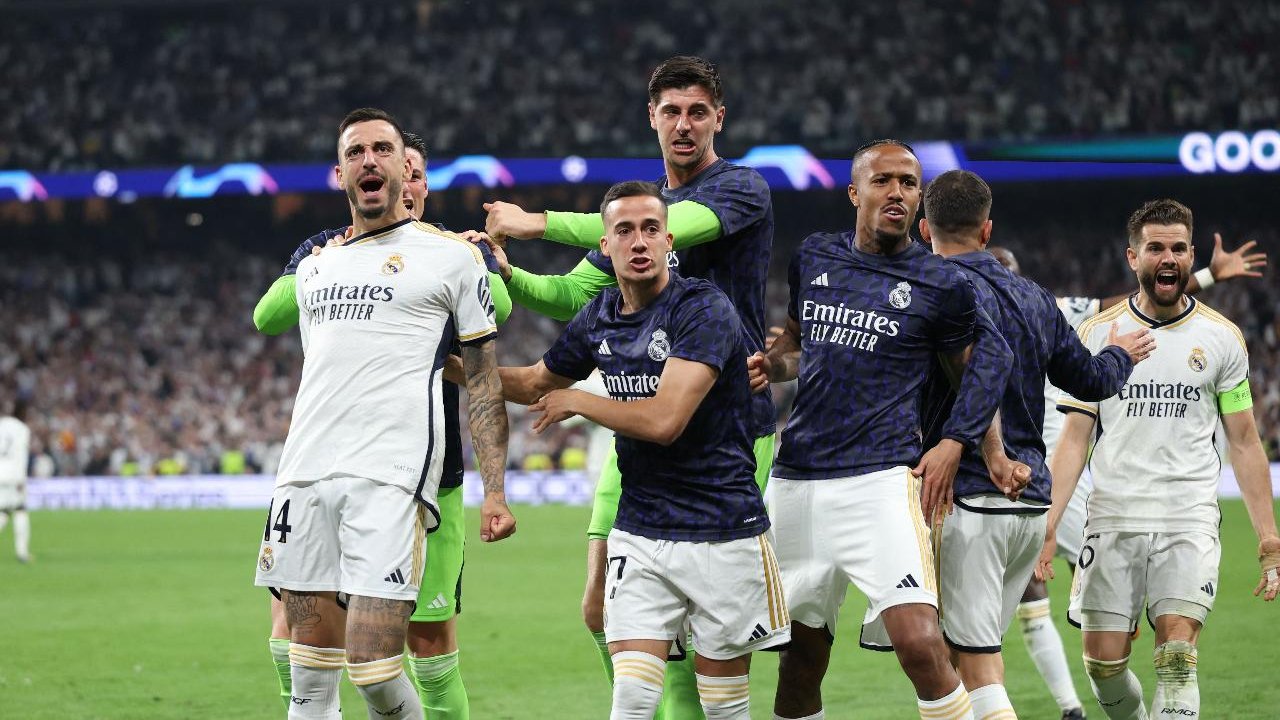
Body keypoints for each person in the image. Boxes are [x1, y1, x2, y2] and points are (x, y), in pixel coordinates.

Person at [483, 55, 774, 720]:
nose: (683, 123)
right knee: (598, 609)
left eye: (697, 111)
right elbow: (566, 299)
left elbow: (671, 226)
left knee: (711, 645)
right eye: (670, 110)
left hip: (726, 428)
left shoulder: (738, 190)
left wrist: (537, 223)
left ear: (718, 119)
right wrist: (503, 270)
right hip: (636, 427)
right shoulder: (631, 226)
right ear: (651, 117)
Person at [252, 107, 515, 720]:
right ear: (337, 174)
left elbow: (481, 380)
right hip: (302, 478)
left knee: (374, 672)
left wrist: (495, 489)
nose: (368, 161)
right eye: (354, 153)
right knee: (306, 678)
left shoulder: (452, 259)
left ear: (406, 167)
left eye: (381, 149)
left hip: (390, 484)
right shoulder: (314, 267)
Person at [750, 140, 1012, 720]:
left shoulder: (940, 283)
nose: (897, 193)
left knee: (919, 641)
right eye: (883, 181)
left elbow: (984, 365)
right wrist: (774, 364)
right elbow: (798, 344)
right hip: (795, 481)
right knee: (798, 658)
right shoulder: (815, 256)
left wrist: (960, 443)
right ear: (854, 192)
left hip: (879, 480)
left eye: (909, 183)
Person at [988, 235, 1268, 719]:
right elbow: (1076, 435)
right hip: (1076, 494)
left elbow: (1243, 439)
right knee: (1101, 662)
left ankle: (1065, 700)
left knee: (1176, 658)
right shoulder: (960, 317)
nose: (1002, 287)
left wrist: (1208, 277)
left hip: (1173, 511)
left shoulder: (1051, 310)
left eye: (1009, 277)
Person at [917, 170, 1150, 719]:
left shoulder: (930, 290)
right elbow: (1092, 381)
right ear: (987, 227)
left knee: (973, 664)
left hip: (966, 495)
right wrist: (1118, 353)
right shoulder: (1035, 298)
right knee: (962, 656)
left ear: (925, 228)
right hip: (1029, 505)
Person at [0, 400, 32, 564]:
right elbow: (21, 455)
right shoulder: (22, 429)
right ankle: (22, 552)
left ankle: (22, 552)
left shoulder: (2, 424)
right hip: (14, 475)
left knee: (4, 511)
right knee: (20, 510)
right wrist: (21, 478)